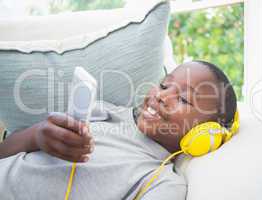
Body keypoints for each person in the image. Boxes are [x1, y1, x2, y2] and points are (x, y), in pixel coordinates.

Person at [0, 60, 237, 200]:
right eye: (164, 84)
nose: (161, 96)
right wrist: (37, 136)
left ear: (206, 132)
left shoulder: (161, 182)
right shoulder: (106, 112)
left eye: (184, 99)